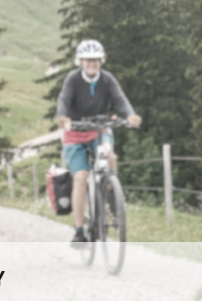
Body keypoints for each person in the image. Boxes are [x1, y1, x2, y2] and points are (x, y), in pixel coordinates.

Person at [56, 39, 141, 246]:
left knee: (109, 155)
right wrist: (63, 118)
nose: (91, 64)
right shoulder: (73, 79)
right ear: (80, 62)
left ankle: (113, 198)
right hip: (75, 134)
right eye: (87, 60)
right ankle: (78, 231)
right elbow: (63, 100)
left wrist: (130, 115)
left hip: (99, 130)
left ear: (101, 61)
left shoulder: (107, 79)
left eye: (95, 60)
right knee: (80, 178)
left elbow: (120, 99)